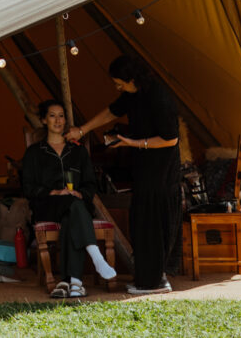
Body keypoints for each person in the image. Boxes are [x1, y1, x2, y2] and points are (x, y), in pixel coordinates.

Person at [70, 53, 181, 295]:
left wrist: (134, 143)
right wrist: (82, 130)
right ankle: (148, 278)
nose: (117, 87)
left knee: (152, 222)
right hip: (144, 167)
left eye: (119, 83)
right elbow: (112, 111)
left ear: (132, 79)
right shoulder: (134, 93)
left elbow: (171, 139)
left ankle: (156, 281)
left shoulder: (159, 97)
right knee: (140, 221)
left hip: (161, 171)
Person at [20, 99, 117, 299]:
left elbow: (90, 184)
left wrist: (81, 193)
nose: (58, 120)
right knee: (73, 207)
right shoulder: (34, 153)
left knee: (71, 214)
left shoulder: (78, 151)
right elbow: (28, 187)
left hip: (75, 206)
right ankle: (95, 256)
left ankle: (71, 283)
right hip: (47, 206)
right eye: (52, 116)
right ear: (44, 120)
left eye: (61, 116)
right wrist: (54, 192)